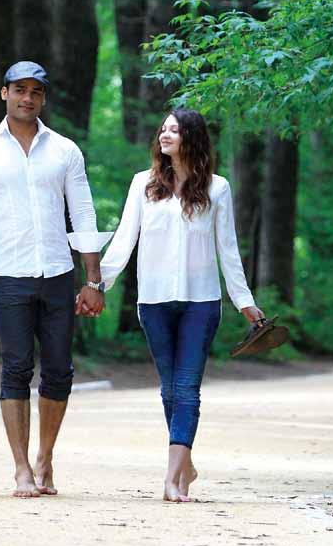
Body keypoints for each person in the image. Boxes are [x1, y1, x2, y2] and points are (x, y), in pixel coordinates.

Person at [0, 61, 111, 498]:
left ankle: (45, 457)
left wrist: (92, 280)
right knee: (16, 368)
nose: (28, 97)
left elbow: (83, 214)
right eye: (19, 89)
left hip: (59, 275)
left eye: (36, 92)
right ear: (4, 93)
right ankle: (21, 467)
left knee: (60, 370)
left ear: (43, 98)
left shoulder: (64, 151)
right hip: (9, 277)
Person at [100, 108, 266, 502]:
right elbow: (124, 240)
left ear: (191, 137)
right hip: (153, 301)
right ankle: (185, 462)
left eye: (174, 130)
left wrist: (244, 301)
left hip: (201, 302)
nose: (165, 134)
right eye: (163, 129)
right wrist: (97, 284)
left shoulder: (217, 188)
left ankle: (172, 479)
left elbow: (228, 250)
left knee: (187, 388)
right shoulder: (143, 184)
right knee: (170, 390)